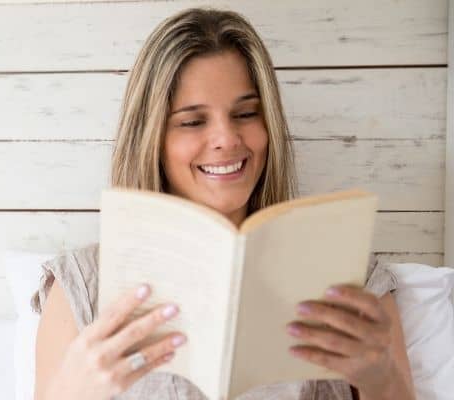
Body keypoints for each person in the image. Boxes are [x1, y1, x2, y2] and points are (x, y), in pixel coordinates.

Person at [29, 7, 416, 400]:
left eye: (246, 113)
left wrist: (381, 378)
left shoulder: (349, 279)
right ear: (152, 140)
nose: (227, 139)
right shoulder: (83, 286)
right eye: (193, 121)